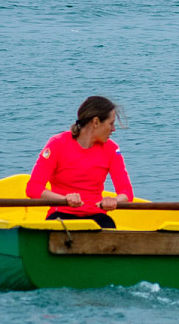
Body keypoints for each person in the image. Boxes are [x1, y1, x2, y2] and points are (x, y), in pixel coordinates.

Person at [27, 95, 134, 228]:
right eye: (111, 124)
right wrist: (65, 199)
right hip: (61, 212)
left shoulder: (112, 149)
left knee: (108, 226)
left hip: (95, 215)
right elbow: (33, 188)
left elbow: (126, 192)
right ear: (96, 122)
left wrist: (114, 201)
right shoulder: (57, 144)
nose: (113, 129)